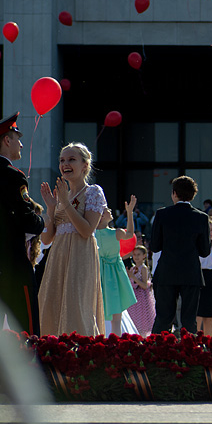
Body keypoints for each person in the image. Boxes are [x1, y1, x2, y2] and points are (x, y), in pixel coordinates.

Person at [38, 143, 107, 336]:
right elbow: (46, 238)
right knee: (52, 303)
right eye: (62, 160)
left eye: (71, 159)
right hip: (58, 257)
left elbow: (86, 230)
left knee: (77, 305)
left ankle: (80, 356)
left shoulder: (93, 192)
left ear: (85, 165)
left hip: (80, 256)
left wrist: (66, 204)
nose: (65, 164)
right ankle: (52, 354)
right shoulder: (62, 195)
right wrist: (51, 209)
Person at [0, 112, 43, 334]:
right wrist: (41, 220)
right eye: (17, 137)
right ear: (6, 140)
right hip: (12, 267)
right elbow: (29, 223)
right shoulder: (13, 176)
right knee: (27, 334)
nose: (21, 144)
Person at [150, 176, 211, 334]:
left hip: (166, 271)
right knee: (189, 320)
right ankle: (189, 354)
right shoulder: (201, 217)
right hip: (191, 272)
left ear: (174, 193)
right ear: (193, 195)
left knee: (163, 318)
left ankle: (156, 353)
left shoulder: (162, 214)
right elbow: (205, 251)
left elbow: (155, 247)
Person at [95, 197, 139, 337]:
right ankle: (116, 343)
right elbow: (131, 234)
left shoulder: (92, 234)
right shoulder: (116, 232)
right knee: (116, 316)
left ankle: (98, 341)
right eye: (107, 210)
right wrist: (129, 213)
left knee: (98, 313)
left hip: (99, 273)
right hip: (114, 274)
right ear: (101, 216)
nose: (110, 211)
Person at [127, 246, 156, 337]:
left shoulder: (143, 268)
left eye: (138, 254)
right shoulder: (133, 268)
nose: (136, 257)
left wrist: (133, 278)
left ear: (144, 256)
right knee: (134, 319)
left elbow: (144, 285)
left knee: (143, 320)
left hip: (142, 299)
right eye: (134, 255)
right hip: (134, 299)